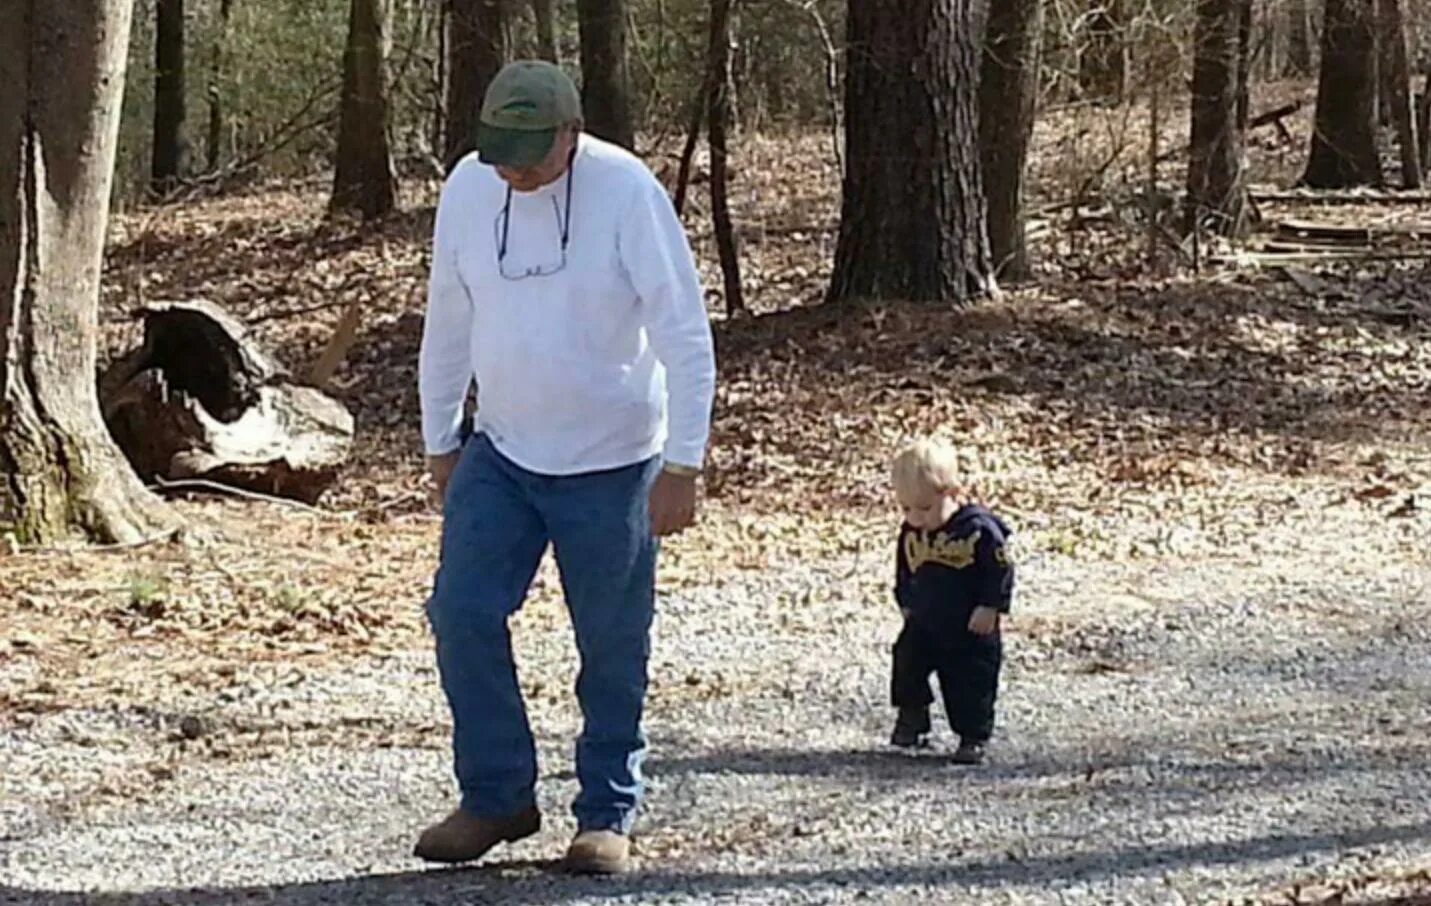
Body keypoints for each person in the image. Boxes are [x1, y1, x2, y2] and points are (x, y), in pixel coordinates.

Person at [414, 60, 716, 874]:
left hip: (615, 458)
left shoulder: (626, 193)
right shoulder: (469, 191)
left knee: (611, 641)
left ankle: (606, 812)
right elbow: (448, 316)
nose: (512, 170)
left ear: (570, 135)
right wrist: (440, 439)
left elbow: (684, 333)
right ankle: (495, 796)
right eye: (499, 151)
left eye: (528, 154)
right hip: (501, 449)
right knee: (461, 611)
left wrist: (683, 464)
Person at [888, 439, 1014, 765]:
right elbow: (905, 567)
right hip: (926, 620)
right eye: (906, 509)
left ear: (953, 493)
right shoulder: (912, 531)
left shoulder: (978, 531)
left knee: (970, 682)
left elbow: (999, 569)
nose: (915, 518)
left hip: (969, 625)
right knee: (906, 661)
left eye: (925, 508)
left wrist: (991, 606)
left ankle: (973, 736)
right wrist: (905, 600)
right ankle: (912, 714)